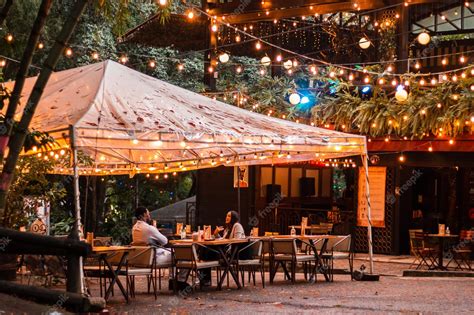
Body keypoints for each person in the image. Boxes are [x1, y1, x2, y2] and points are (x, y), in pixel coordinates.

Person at [132, 206, 187, 286]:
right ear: (144, 214)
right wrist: (155, 230)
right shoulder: (149, 228)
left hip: (140, 258)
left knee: (171, 253)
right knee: (182, 255)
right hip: (153, 259)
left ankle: (172, 280)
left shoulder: (134, 228)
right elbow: (165, 241)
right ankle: (181, 281)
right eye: (148, 214)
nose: (149, 216)